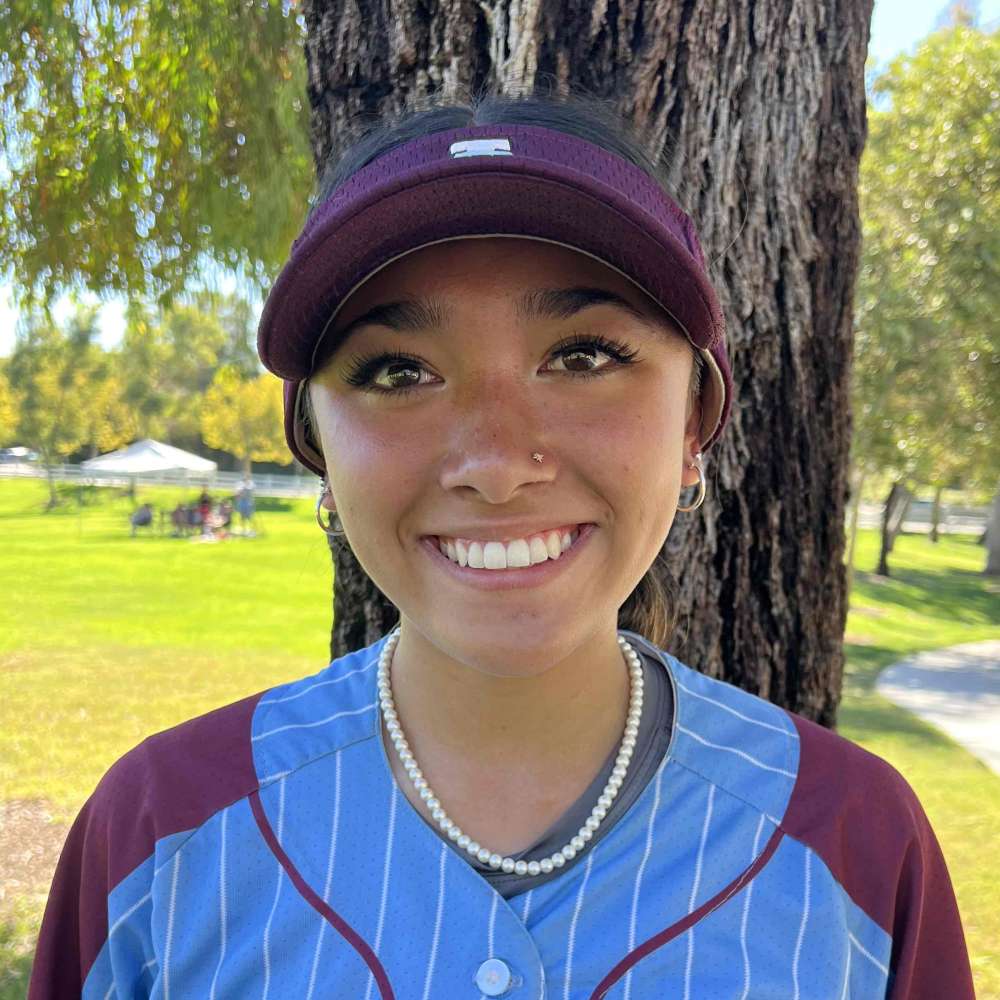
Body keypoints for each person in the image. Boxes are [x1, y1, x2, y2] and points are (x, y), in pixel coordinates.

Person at [29, 88, 973, 999]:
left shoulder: (854, 839)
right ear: (317, 447)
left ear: (693, 425)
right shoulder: (158, 830)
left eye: (583, 356)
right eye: (397, 371)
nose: (495, 464)